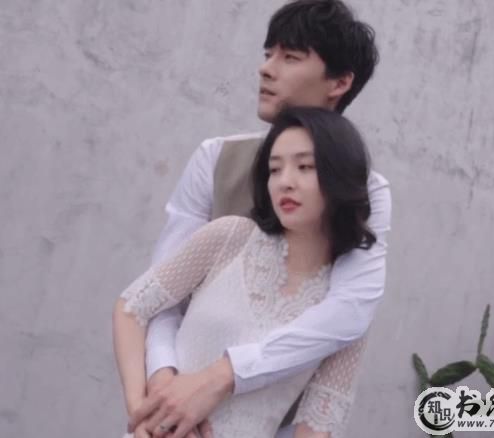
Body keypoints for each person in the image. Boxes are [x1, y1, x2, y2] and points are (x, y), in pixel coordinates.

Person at [126, 0, 391, 437]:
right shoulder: (216, 158)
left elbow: (349, 311)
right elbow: (160, 295)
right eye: (268, 54)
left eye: (290, 57)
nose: (266, 69)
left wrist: (223, 377)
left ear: (340, 82)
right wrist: (164, 388)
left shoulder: (368, 192)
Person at [114, 106, 377, 438]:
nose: (285, 182)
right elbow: (131, 308)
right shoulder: (229, 237)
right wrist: (141, 409)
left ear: (340, 175)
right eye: (274, 169)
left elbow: (315, 428)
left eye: (304, 167)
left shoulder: (346, 311)